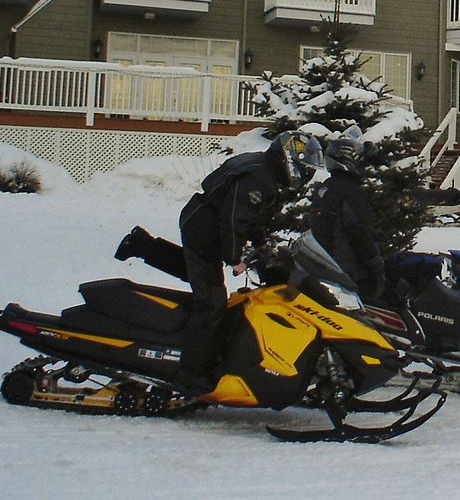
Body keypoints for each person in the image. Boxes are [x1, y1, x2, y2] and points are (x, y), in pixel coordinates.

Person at [114, 132, 307, 396]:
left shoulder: (262, 168)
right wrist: (235, 258)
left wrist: (261, 245)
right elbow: (233, 219)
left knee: (198, 273)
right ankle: (192, 373)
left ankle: (142, 244)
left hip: (201, 220)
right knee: (211, 302)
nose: (302, 171)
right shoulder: (259, 177)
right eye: (301, 164)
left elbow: (252, 216)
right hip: (205, 227)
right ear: (287, 158)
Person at [305, 128, 387, 302]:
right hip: (350, 273)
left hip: (328, 266)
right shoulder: (350, 192)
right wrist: (376, 266)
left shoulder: (325, 188)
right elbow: (358, 232)